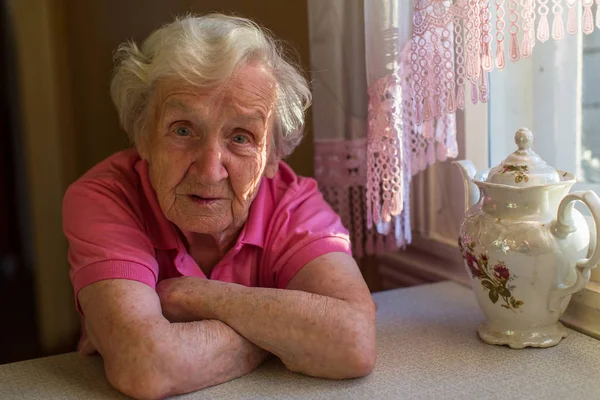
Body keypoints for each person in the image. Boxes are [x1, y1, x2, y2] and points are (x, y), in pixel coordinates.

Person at [62, 13, 376, 399]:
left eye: (241, 137)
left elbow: (353, 341)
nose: (210, 171)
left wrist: (190, 296)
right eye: (182, 130)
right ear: (143, 136)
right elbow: (147, 366)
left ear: (275, 156)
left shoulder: (294, 204)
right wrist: (288, 336)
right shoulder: (105, 198)